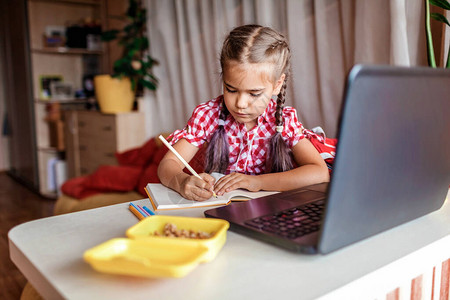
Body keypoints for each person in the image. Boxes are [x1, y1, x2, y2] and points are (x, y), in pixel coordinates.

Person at [158, 24, 334, 202]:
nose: (240, 104)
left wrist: (256, 182)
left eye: (254, 94)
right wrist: (181, 182)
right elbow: (168, 165)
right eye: (231, 89)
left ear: (277, 84)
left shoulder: (284, 121)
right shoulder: (208, 115)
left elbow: (319, 173)